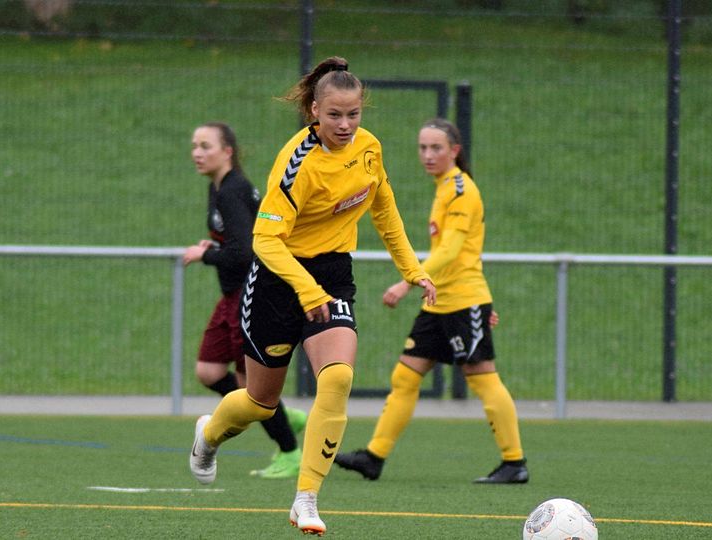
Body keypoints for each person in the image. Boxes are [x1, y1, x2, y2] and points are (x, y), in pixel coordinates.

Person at [188, 57, 436, 535]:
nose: (345, 125)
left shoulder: (369, 148)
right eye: (335, 115)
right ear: (315, 111)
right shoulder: (296, 162)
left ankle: (306, 498)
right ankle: (209, 433)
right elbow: (265, 241)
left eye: (354, 114)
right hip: (279, 279)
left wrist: (413, 271)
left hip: (333, 274)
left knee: (337, 377)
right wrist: (305, 290)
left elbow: (384, 209)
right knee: (261, 402)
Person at [334, 117, 529, 485]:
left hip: (463, 300)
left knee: (482, 378)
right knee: (405, 375)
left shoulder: (461, 189)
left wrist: (408, 282)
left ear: (454, 150)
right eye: (422, 147)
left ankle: (514, 462)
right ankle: (373, 457)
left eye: (436, 148)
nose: (427, 154)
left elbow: (452, 250)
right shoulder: (444, 188)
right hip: (439, 303)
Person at [183, 121, 308, 480]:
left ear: (227, 152)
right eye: (194, 146)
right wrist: (215, 246)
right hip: (230, 297)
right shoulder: (218, 187)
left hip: (250, 295)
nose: (197, 153)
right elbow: (238, 240)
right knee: (208, 371)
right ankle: (281, 414)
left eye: (205, 146)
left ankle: (290, 452)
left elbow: (245, 253)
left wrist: (205, 255)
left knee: (252, 388)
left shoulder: (232, 190)